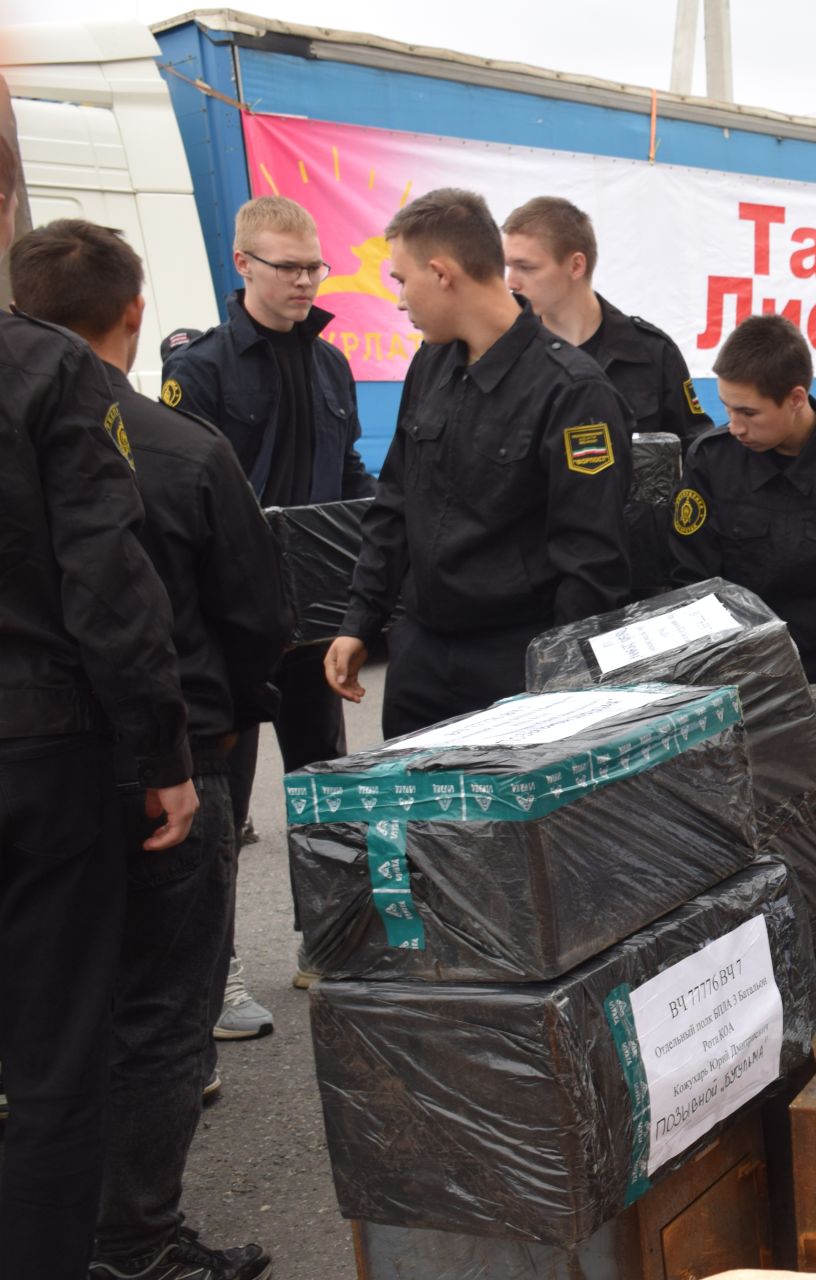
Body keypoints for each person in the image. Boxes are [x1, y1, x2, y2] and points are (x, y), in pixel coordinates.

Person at [11, 218, 288, 1280]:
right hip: (168, 756)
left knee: (50, 1019)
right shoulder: (180, 447)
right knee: (164, 1015)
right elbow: (259, 610)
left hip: (51, 762)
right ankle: (133, 1238)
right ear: (133, 314)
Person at [0, 139, 198, 1280]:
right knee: (56, 1057)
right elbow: (109, 583)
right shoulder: (47, 372)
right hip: (36, 749)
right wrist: (162, 753)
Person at [162, 194, 374, 1031]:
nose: (304, 281)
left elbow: (348, 464)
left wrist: (375, 540)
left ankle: (326, 944)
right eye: (287, 267)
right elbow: (185, 496)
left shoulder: (330, 364)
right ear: (243, 265)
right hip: (232, 625)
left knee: (323, 786)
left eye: (314, 266)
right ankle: (216, 979)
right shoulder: (203, 369)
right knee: (225, 804)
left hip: (318, 618)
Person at [324, 189, 633, 738]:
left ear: (442, 273)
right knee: (413, 819)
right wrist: (359, 620)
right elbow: (395, 500)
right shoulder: (430, 364)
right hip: (420, 653)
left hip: (513, 663)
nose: (398, 300)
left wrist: (560, 688)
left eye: (400, 279)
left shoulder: (573, 392)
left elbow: (590, 562)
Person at [670, 315, 816, 683]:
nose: (734, 427)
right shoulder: (711, 460)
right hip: (732, 678)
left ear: (795, 398)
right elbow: (688, 580)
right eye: (727, 408)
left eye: (748, 413)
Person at [503, 196, 713, 598]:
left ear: (575, 265)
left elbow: (696, 456)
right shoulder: (507, 358)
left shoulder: (650, 353)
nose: (511, 281)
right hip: (534, 585)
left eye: (526, 267)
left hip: (639, 578)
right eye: (509, 265)